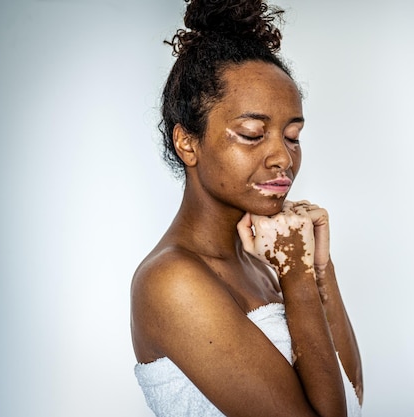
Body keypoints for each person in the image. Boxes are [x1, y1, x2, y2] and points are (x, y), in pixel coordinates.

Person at [131, 1, 363, 416]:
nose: (283, 158)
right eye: (252, 134)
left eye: (292, 136)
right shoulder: (172, 281)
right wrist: (296, 275)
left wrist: (318, 269)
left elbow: (351, 393)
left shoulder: (260, 263)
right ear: (187, 143)